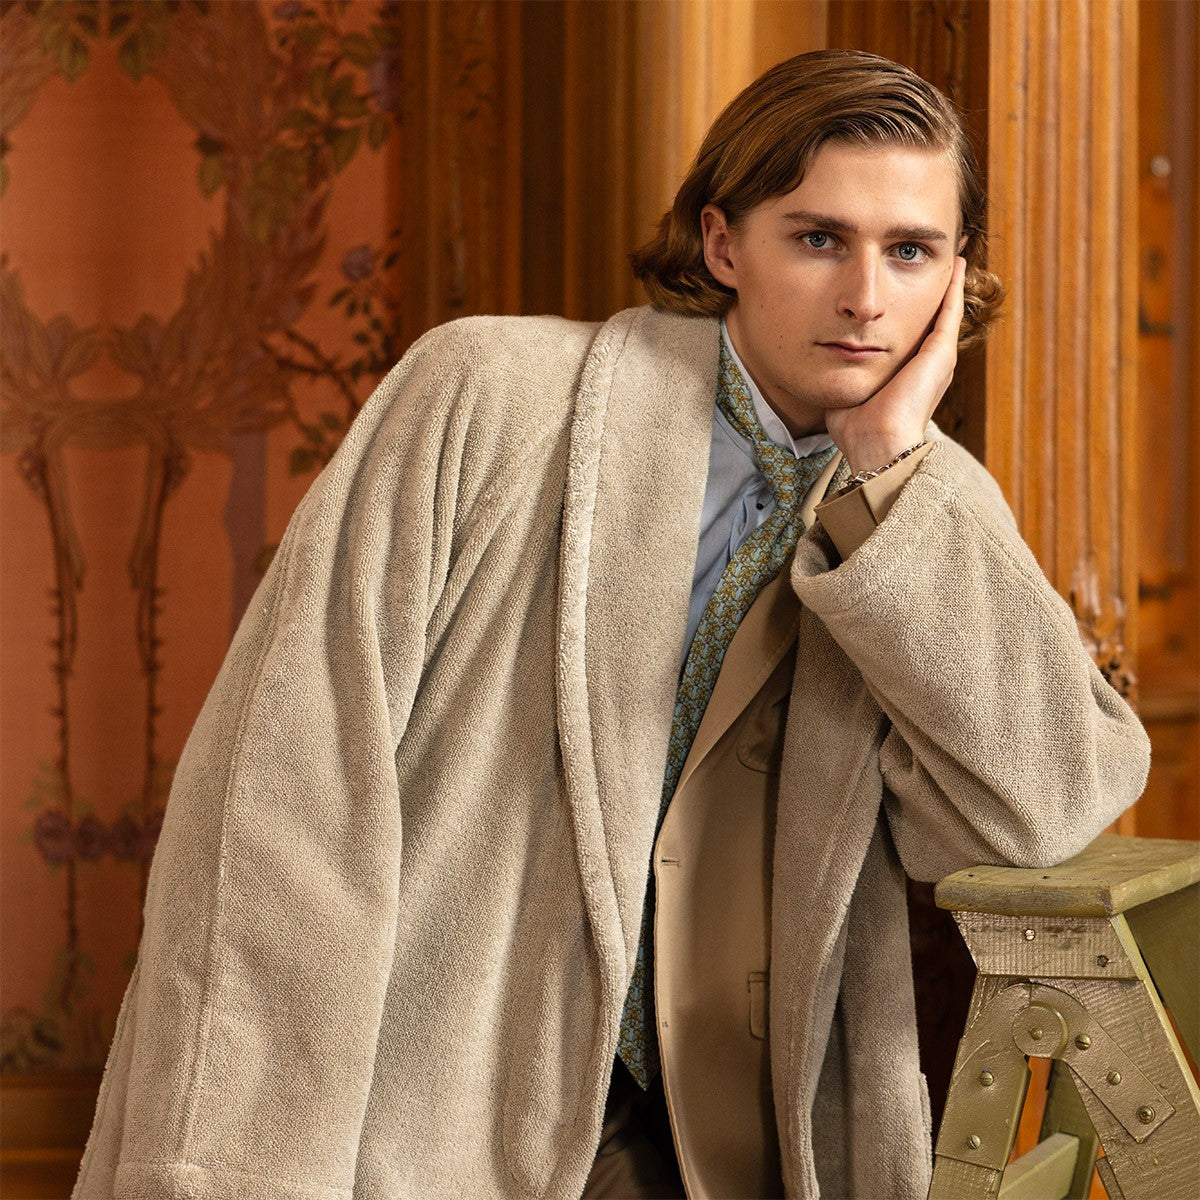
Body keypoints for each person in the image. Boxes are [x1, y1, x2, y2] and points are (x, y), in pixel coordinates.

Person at [74, 50, 1149, 1200]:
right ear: (723, 244)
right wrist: (238, 1174)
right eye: (819, 238)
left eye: (911, 251)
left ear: (955, 272)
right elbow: (283, 795)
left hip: (719, 1148)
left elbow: (1048, 805)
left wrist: (888, 466)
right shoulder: (483, 395)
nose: (867, 298)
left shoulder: (926, 515)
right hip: (431, 1121)